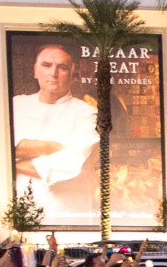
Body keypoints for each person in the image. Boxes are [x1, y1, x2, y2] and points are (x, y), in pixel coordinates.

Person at [11, 43, 101, 215]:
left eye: (62, 67)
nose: (53, 73)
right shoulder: (15, 105)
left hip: (66, 214)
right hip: (17, 212)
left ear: (73, 75)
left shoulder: (87, 113)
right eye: (46, 65)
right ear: (35, 71)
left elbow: (72, 164)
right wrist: (51, 147)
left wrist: (12, 161)